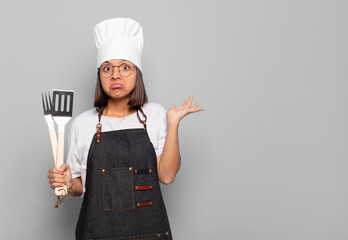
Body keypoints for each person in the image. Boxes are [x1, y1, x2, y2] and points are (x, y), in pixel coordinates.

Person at [46, 17, 203, 240]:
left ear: (137, 73)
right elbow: (79, 186)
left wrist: (173, 123)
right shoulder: (82, 123)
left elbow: (166, 176)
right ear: (99, 75)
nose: (115, 75)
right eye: (107, 68)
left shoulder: (156, 115)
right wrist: (69, 182)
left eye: (125, 67)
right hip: (97, 233)